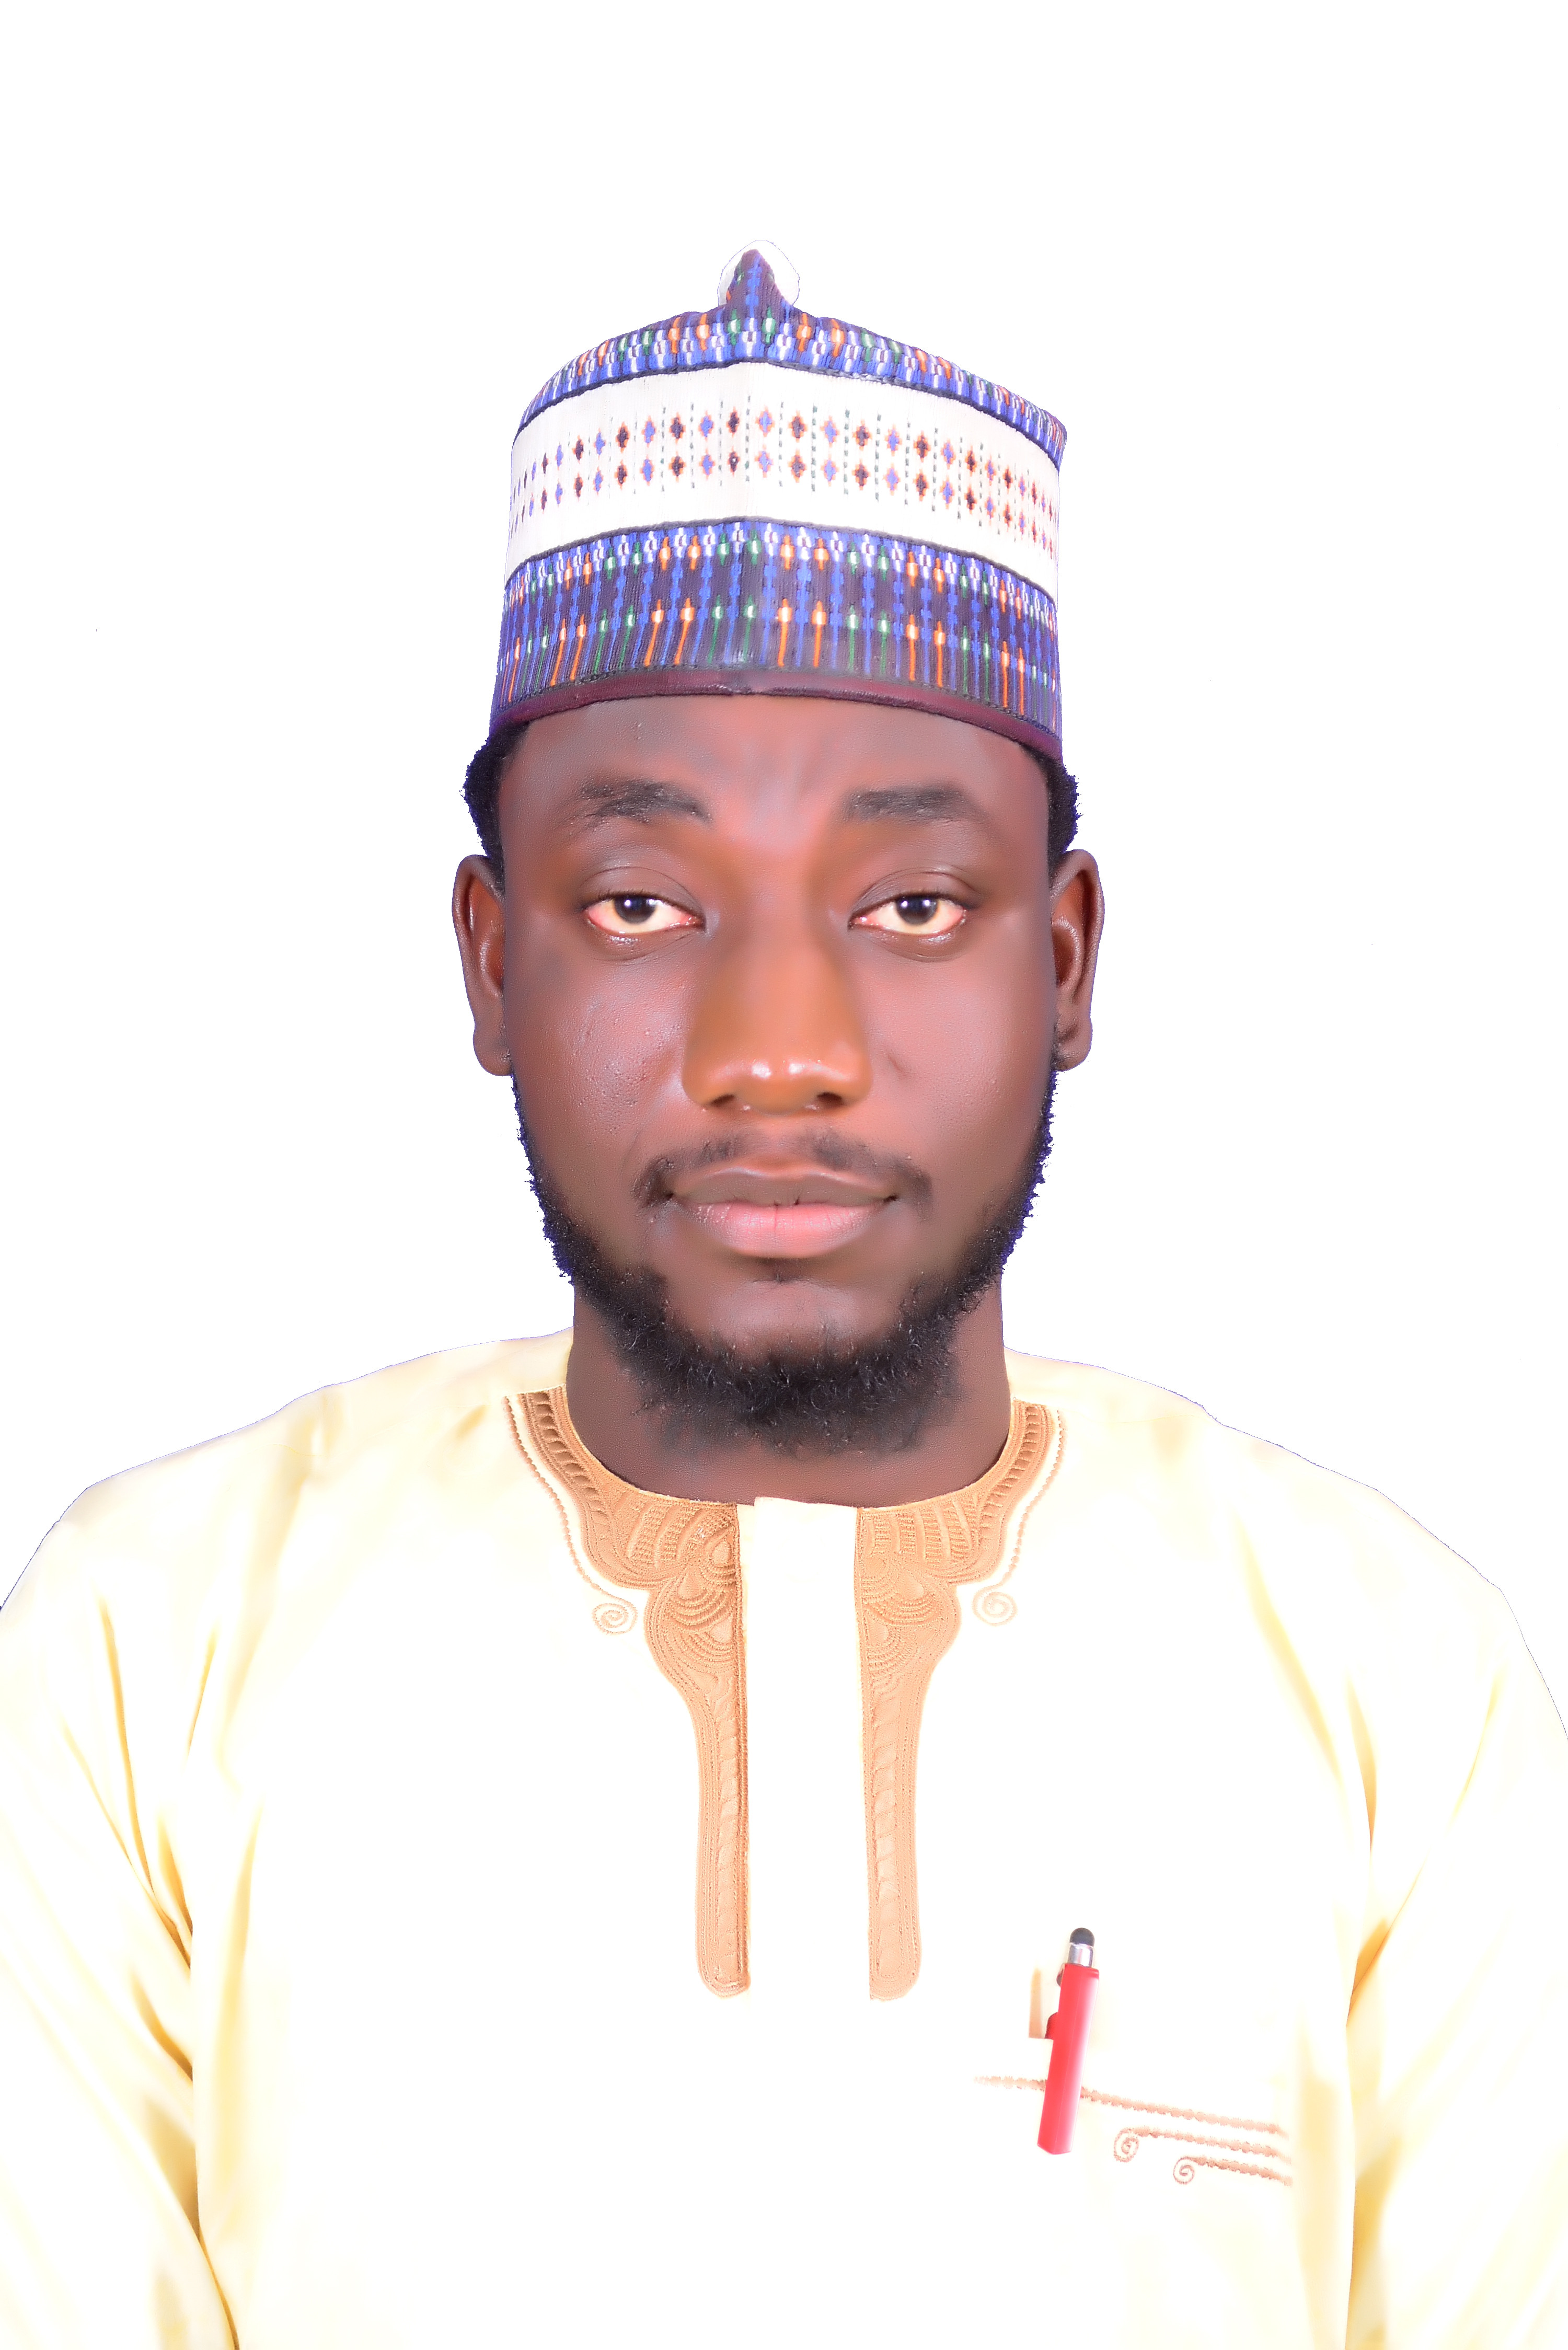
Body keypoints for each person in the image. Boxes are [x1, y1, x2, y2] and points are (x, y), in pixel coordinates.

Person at [1, 247, 1563, 2349]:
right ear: (491, 962)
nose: (777, 1052)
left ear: (1065, 963)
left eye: (910, 902)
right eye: (645, 902)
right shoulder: (147, 1654)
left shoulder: (1393, 1684)